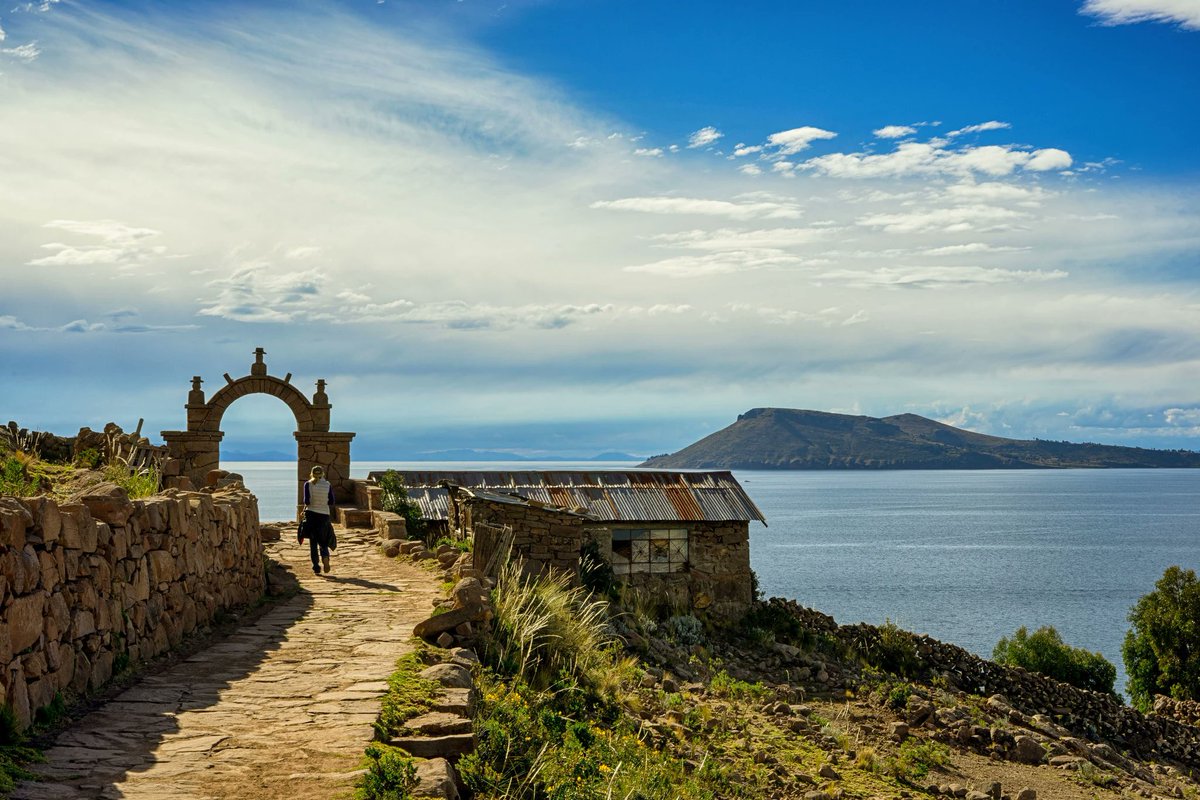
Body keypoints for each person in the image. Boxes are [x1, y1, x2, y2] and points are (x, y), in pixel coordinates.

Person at [298, 465, 336, 575]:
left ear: (311, 473)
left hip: (311, 515)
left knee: (313, 542)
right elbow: (331, 501)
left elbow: (307, 501)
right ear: (323, 474)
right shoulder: (327, 485)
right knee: (323, 541)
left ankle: (316, 566)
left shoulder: (307, 484)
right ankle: (325, 557)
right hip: (324, 515)